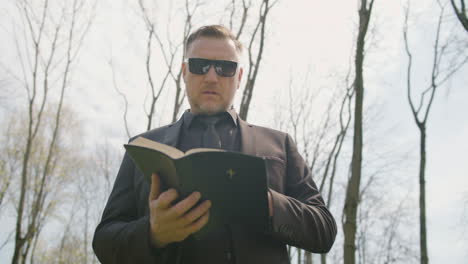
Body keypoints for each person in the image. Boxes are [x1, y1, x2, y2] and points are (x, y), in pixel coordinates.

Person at [93, 25, 337, 264]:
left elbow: (324, 230)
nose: (211, 77)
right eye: (200, 66)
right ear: (184, 72)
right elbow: (104, 243)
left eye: (225, 68)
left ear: (239, 76)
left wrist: (269, 204)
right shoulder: (143, 147)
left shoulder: (279, 144)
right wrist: (153, 234)